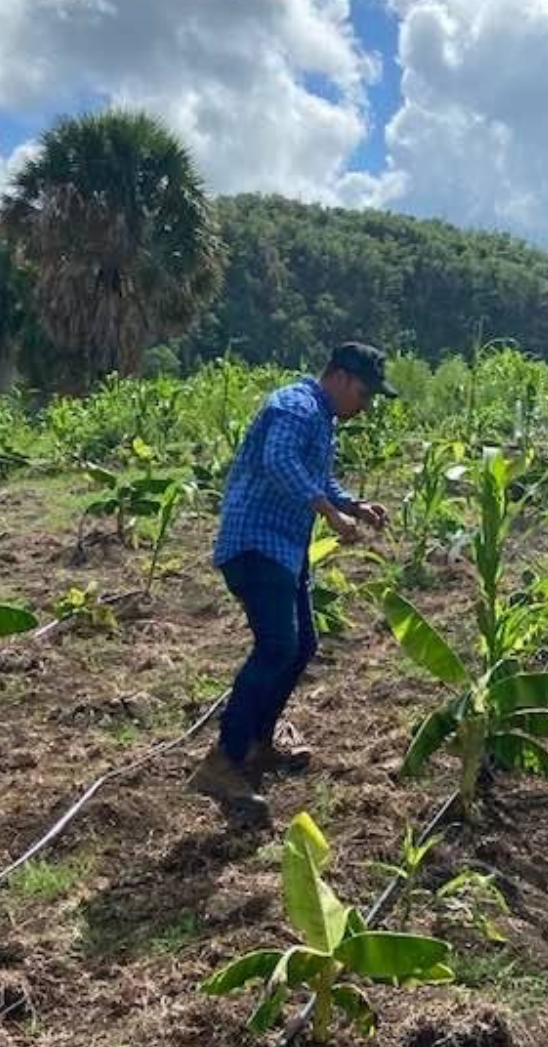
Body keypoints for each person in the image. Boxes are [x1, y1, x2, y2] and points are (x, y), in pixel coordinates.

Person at [189, 341, 397, 822]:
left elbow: (314, 476)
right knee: (277, 647)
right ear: (342, 378)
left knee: (301, 645)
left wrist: (351, 505)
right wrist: (328, 514)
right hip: (256, 544)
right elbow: (280, 464)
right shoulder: (295, 405)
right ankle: (224, 759)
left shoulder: (321, 419)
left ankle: (260, 741)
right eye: (364, 395)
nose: (364, 408)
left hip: (283, 549)